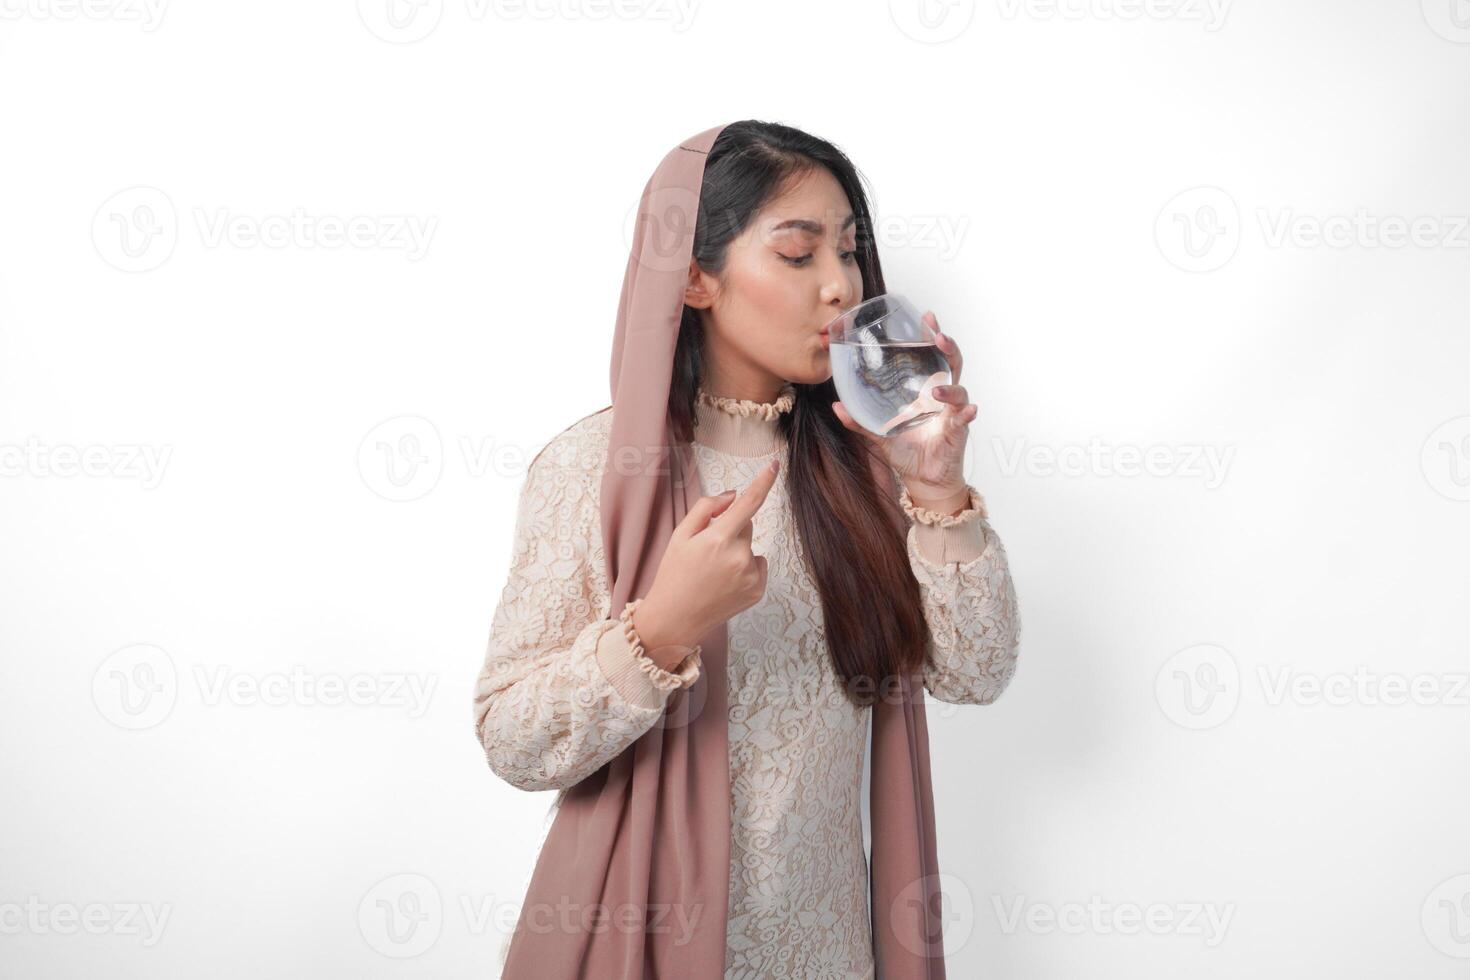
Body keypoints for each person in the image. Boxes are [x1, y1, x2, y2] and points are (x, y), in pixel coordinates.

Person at [472, 119, 1021, 979]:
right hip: (633, 948)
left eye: (849, 252)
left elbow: (976, 671)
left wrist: (940, 490)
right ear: (692, 275)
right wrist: (661, 627)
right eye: (799, 255)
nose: (840, 287)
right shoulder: (598, 467)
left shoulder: (866, 470)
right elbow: (513, 740)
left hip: (823, 953)